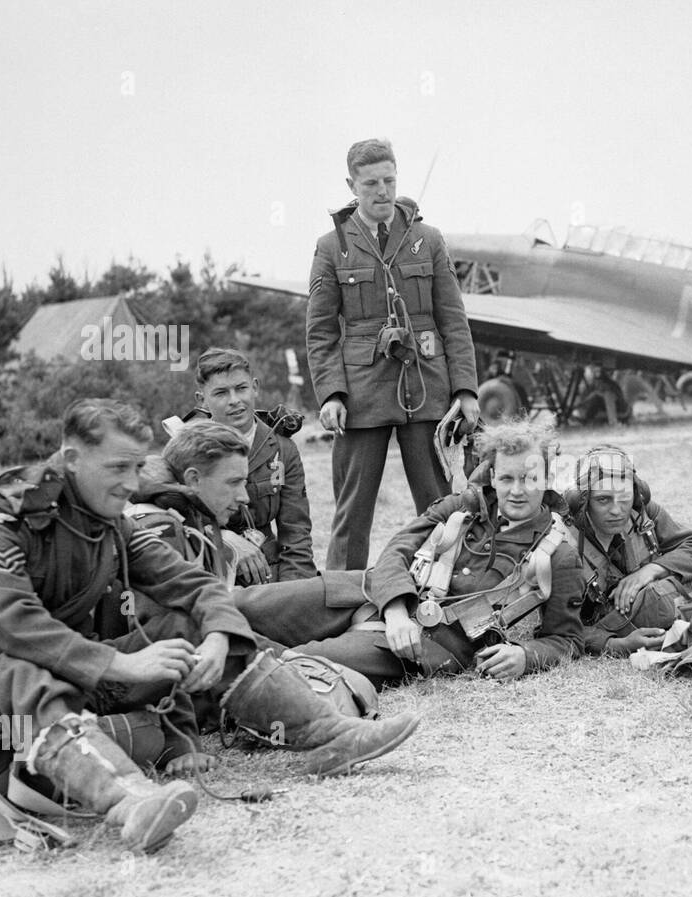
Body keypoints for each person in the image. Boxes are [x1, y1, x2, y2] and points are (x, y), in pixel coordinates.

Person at [0, 401, 257, 853]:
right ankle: (127, 800)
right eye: (119, 466)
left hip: (61, 686)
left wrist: (218, 635)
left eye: (139, 466)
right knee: (21, 669)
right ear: (71, 461)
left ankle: (325, 730)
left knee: (183, 625)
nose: (133, 482)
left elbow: (192, 584)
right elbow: (19, 629)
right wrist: (123, 663)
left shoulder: (105, 523)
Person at [125, 421, 423, 755]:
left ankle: (386, 630)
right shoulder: (160, 527)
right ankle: (330, 727)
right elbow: (169, 635)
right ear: (193, 479)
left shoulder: (189, 513)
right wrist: (182, 742)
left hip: (226, 625)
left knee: (358, 587)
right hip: (179, 677)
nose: (244, 496)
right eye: (235, 482)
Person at [289, 421, 584, 687]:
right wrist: (394, 611)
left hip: (424, 644)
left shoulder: (557, 554)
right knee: (250, 606)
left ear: (546, 480)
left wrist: (525, 656)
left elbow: (567, 639)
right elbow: (398, 547)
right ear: (493, 477)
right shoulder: (463, 506)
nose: (517, 491)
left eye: (530, 479)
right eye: (507, 478)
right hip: (370, 593)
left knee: (295, 661)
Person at [307, 138, 481, 570]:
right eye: (370, 183)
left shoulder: (429, 239)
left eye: (389, 180)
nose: (382, 191)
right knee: (352, 514)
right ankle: (342, 603)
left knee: (443, 506)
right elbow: (321, 331)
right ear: (352, 184)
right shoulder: (332, 247)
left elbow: (454, 321)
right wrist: (331, 394)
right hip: (361, 395)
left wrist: (466, 389)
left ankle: (453, 586)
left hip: (426, 389)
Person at [564, 445, 692, 656]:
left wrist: (650, 571)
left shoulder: (641, 512)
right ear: (581, 501)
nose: (617, 510)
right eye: (603, 499)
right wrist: (617, 644)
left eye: (624, 498)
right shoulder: (564, 543)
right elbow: (558, 630)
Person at [187, 346, 316, 584]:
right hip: (211, 571)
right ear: (201, 399)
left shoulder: (282, 449)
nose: (234, 401)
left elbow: (295, 532)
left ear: (254, 387)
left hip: (268, 571)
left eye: (241, 388)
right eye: (221, 393)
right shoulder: (188, 448)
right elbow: (175, 516)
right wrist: (223, 538)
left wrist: (296, 589)